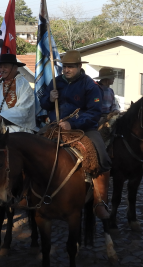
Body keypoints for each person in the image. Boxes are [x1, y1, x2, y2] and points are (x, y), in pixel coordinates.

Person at [38, 50, 111, 220]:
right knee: (33, 148)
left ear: (79, 66)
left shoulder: (90, 85)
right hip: (55, 126)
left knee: (102, 155)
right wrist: (49, 98)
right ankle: (32, 193)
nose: (66, 70)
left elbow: (94, 112)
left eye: (71, 67)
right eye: (65, 66)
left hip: (84, 128)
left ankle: (100, 201)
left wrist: (73, 124)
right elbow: (43, 104)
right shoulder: (56, 82)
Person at [0, 54, 37, 133]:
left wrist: (2, 117)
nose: (2, 70)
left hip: (17, 131)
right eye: (1, 67)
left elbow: (25, 109)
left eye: (5, 67)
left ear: (15, 68)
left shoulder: (23, 84)